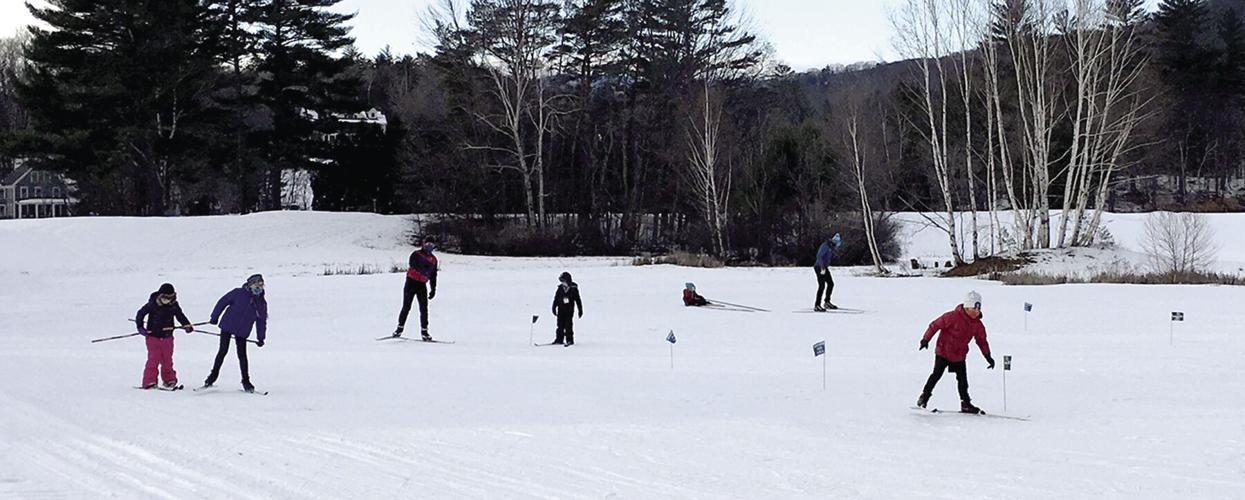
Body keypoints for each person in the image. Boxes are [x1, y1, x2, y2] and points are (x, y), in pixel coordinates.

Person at [916, 290, 994, 414]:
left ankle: (966, 404)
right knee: (936, 375)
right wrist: (925, 339)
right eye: (974, 309)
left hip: (959, 354)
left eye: (978, 309)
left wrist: (988, 356)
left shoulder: (977, 324)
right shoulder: (951, 316)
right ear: (967, 308)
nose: (977, 312)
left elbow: (982, 341)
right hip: (944, 351)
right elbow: (934, 325)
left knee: (963, 380)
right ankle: (924, 398)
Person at [204, 274, 268, 392]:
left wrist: (261, 338)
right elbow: (222, 302)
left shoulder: (261, 303)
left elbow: (261, 321)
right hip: (227, 325)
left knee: (242, 356)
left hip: (243, 331)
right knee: (222, 351)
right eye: (256, 284)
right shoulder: (238, 293)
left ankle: (246, 381)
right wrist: (214, 317)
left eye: (261, 285)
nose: (258, 287)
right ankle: (212, 378)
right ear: (250, 284)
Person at [135, 283, 193, 389]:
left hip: (167, 336)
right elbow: (140, 314)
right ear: (161, 295)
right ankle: (149, 381)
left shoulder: (174, 305)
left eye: (170, 298)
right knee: (154, 359)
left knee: (167, 360)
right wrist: (140, 327)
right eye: (166, 298)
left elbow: (180, 315)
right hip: (153, 336)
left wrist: (186, 325)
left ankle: (169, 379)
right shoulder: (152, 304)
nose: (168, 300)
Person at [395, 238, 439, 341]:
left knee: (424, 309)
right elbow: (413, 265)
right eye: (427, 244)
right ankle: (399, 329)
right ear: (423, 244)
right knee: (406, 307)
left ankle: (424, 332)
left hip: (422, 285)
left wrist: (433, 289)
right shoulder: (416, 254)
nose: (429, 246)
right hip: (411, 282)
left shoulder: (434, 260)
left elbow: (433, 275)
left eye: (431, 245)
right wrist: (425, 271)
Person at [550, 271, 584, 345]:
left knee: (568, 325)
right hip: (560, 309)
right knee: (560, 325)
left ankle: (569, 339)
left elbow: (578, 299)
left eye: (563, 281)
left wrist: (580, 309)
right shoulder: (560, 288)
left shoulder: (573, 289)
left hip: (569, 310)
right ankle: (559, 339)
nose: (562, 283)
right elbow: (556, 298)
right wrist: (554, 307)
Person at [814, 233, 842, 311]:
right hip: (819, 267)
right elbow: (819, 256)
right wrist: (822, 267)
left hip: (824, 268)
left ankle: (827, 302)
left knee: (830, 284)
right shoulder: (826, 246)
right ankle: (817, 305)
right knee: (821, 286)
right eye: (837, 244)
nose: (837, 247)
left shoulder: (830, 247)